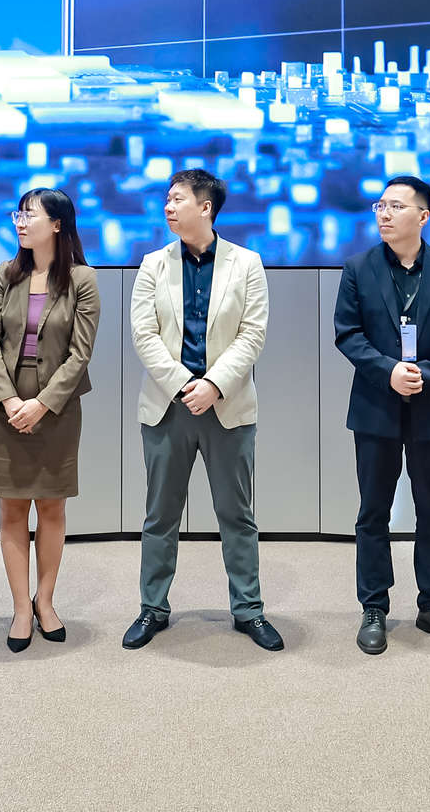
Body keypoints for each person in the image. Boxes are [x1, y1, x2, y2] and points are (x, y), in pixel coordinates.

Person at [123, 168, 281, 652]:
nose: (168, 207)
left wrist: (212, 385)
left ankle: (248, 609)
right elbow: (144, 334)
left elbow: (252, 335)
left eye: (177, 199)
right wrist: (182, 385)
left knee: (237, 515)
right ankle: (153, 608)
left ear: (205, 207)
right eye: (167, 199)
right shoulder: (153, 264)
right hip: (167, 407)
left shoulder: (247, 263)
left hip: (227, 406)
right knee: (160, 515)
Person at [333, 175, 430, 655]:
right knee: (372, 511)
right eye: (380, 205)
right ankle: (374, 607)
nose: (384, 213)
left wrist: (425, 374)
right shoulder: (358, 268)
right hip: (376, 405)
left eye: (396, 206)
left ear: (423, 216)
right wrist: (389, 371)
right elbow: (348, 333)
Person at [0, 187, 101, 652]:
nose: (20, 222)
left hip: (58, 408)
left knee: (51, 507)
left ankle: (45, 601)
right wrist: (10, 400)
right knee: (12, 508)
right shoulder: (5, 274)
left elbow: (80, 354)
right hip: (7, 406)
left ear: (57, 224)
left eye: (30, 215)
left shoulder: (83, 279)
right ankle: (20, 608)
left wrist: (42, 404)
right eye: (18, 214)